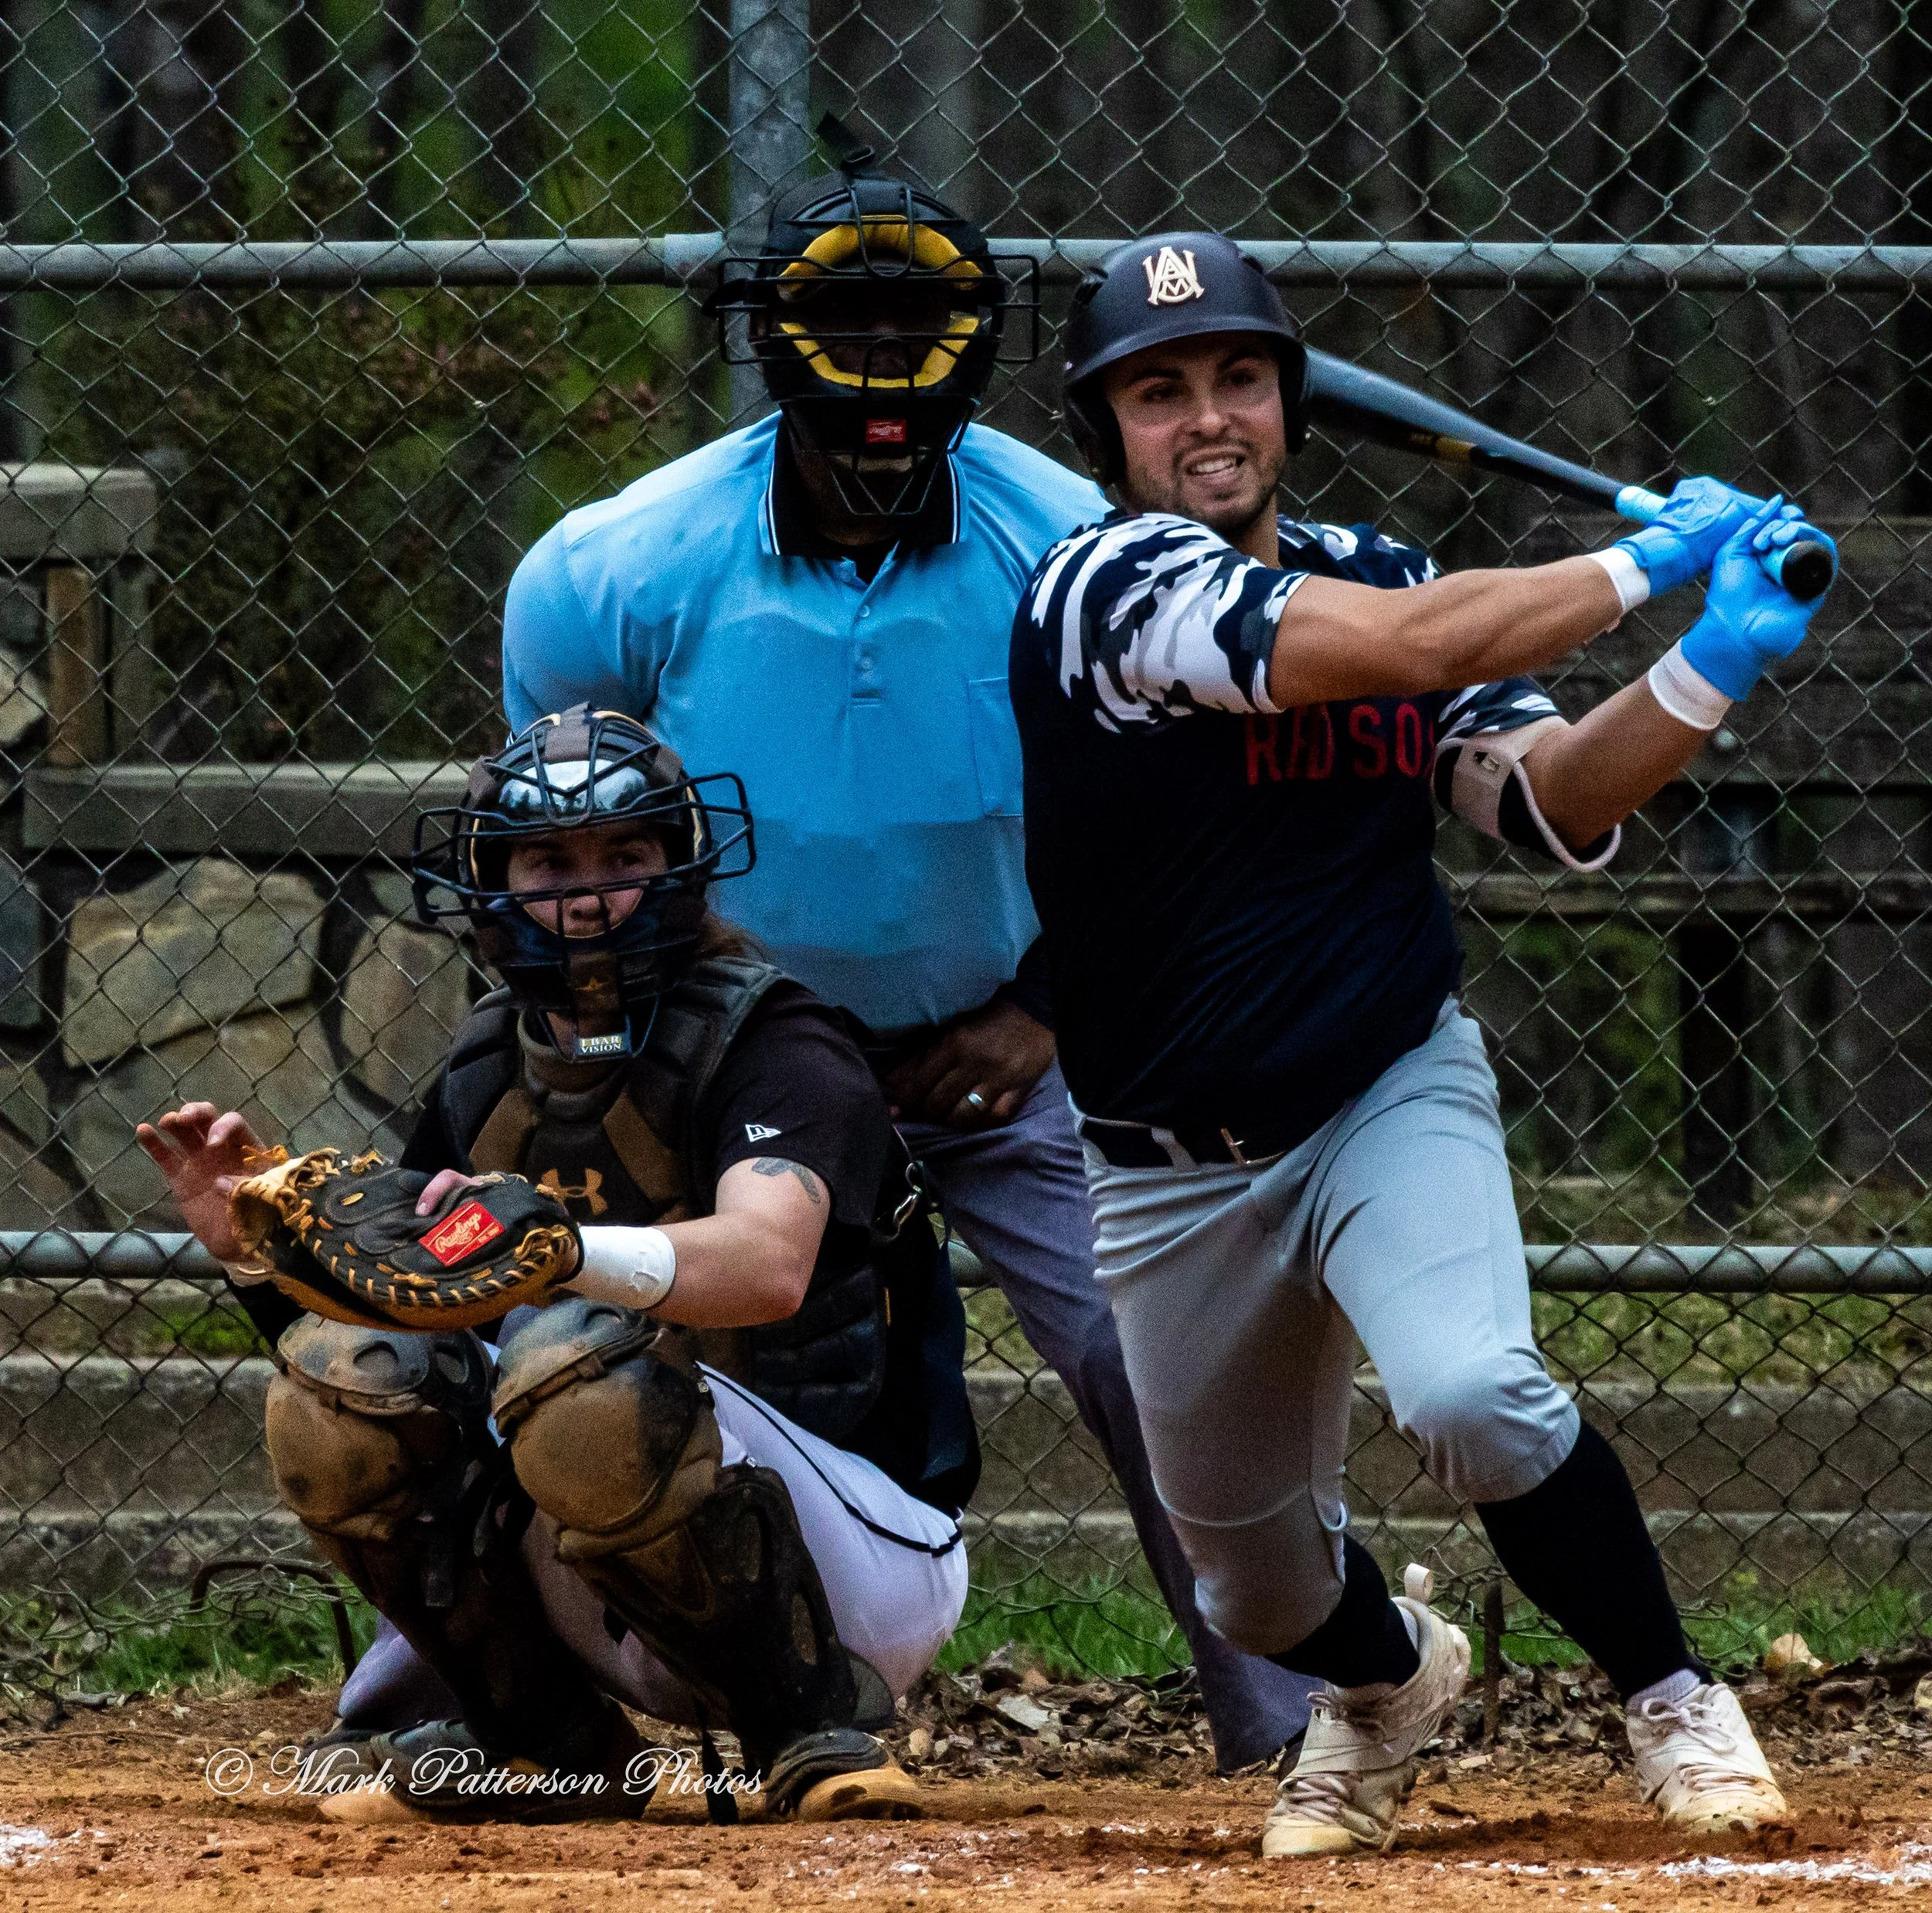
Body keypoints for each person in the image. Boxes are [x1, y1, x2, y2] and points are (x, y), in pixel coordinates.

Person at [1007, 231, 1833, 1857]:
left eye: (1238, 376)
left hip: (1382, 1078)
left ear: (1288, 403)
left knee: (1470, 1392)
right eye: (1157, 392)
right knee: (1251, 1579)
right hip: (1166, 1161)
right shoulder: (1102, 590)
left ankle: (1670, 1693)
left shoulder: (1382, 564)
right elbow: (1408, 651)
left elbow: (1549, 795)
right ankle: (1389, 1683)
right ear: (1107, 432)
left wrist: (1710, 656)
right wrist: (1639, 562)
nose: (1207, 417)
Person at [495, 152, 1316, 1769]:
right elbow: (574, 843)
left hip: (999, 1040)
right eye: (844, 316)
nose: (880, 352)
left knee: (1144, 1344)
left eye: (915, 316)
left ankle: (1288, 1713)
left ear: (977, 334)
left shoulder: (1068, 538)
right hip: (717, 1045)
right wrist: (656, 1048)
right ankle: (446, 1702)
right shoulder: (616, 562)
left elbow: (1165, 816)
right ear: (769, 333)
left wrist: (1042, 1006)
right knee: (552, 1337)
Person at [138, 706, 975, 1824]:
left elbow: (769, 1266)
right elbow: (403, 1331)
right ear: (493, 884)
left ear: (681, 869)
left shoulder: (778, 1041)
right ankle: (541, 1740)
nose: (587, 895)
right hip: (612, 1544)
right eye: (549, 863)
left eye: (624, 857)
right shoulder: (488, 1067)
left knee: (571, 1356)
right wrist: (255, 1256)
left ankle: (806, 1726)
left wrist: (561, 1255)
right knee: (343, 1386)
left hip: (859, 1555)